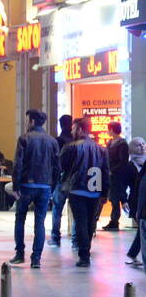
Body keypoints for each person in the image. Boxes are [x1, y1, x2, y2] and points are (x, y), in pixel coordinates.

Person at [8, 109, 60, 269]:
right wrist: (52, 186)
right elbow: (57, 167)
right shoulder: (52, 141)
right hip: (44, 186)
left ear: (31, 121)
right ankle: (36, 258)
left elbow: (18, 163)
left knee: (20, 218)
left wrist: (16, 185)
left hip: (26, 185)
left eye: (26, 120)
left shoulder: (24, 138)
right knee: (40, 222)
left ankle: (19, 254)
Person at [60, 117, 110, 267]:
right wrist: (104, 193)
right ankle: (86, 250)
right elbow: (106, 172)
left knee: (80, 222)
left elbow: (62, 166)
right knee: (89, 223)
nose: (72, 131)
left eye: (74, 129)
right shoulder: (101, 149)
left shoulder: (71, 147)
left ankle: (84, 256)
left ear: (80, 129)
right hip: (94, 192)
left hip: (77, 190)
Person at [50, 114, 75, 245]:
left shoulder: (58, 140)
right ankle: (75, 240)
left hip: (61, 179)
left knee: (57, 209)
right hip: (75, 179)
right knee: (75, 211)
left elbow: (54, 161)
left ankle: (55, 237)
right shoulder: (76, 140)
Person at [103, 121, 130, 231]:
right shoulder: (110, 142)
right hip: (111, 175)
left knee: (118, 198)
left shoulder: (122, 144)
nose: (107, 131)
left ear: (112, 130)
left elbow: (123, 161)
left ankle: (115, 221)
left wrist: (112, 170)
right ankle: (114, 221)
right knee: (114, 198)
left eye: (109, 129)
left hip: (118, 176)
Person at [124, 138, 146, 265]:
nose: (142, 147)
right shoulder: (130, 165)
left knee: (142, 231)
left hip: (143, 203)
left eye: (143, 144)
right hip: (137, 202)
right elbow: (123, 183)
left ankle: (132, 253)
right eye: (138, 145)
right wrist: (123, 200)